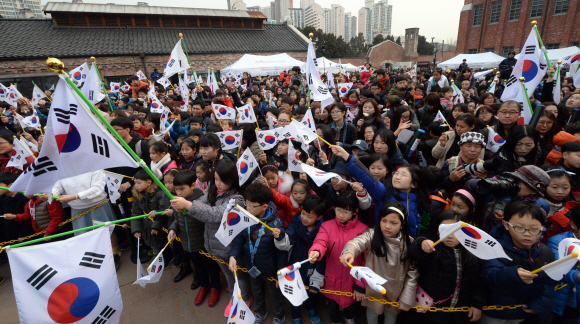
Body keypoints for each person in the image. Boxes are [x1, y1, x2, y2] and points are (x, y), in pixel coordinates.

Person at [170, 160, 251, 316]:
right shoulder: (214, 191)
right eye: (215, 179)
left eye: (222, 180)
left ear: (232, 179)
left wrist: (188, 206)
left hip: (231, 246)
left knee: (239, 275)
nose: (218, 183)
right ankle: (235, 295)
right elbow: (201, 203)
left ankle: (244, 298)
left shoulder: (237, 198)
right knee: (228, 274)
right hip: (214, 245)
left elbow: (216, 215)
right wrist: (186, 204)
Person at [341, 201, 419, 324]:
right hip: (374, 291)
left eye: (393, 223)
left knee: (391, 319)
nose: (387, 226)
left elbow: (413, 271)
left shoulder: (408, 243)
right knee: (372, 315)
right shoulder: (372, 235)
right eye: (384, 220)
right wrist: (349, 251)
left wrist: (407, 298)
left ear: (402, 224)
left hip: (395, 293)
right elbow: (358, 242)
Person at [481, 201, 555, 323]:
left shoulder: (546, 252)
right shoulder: (494, 248)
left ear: (542, 227)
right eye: (519, 227)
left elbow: (549, 281)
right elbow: (490, 276)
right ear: (506, 224)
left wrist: (542, 303)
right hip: (495, 313)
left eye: (534, 229)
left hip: (527, 313)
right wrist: (513, 274)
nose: (527, 233)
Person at [409, 209, 485, 324]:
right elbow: (415, 251)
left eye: (455, 231)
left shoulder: (471, 254)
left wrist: (477, 304)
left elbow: (478, 281)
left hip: (459, 314)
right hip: (430, 313)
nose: (450, 235)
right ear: (437, 231)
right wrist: (421, 243)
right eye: (445, 229)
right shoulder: (432, 249)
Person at [227, 182, 286, 324]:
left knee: (275, 293)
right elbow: (239, 239)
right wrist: (233, 255)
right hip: (251, 266)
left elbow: (281, 252)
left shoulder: (276, 226)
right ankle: (260, 311)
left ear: (265, 206)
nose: (248, 208)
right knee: (257, 291)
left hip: (270, 270)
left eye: (252, 206)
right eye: (247, 204)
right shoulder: (246, 218)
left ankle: (279, 315)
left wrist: (280, 273)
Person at [308, 191, 367, 324]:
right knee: (332, 307)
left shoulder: (364, 230)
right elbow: (320, 242)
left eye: (345, 211)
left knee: (350, 309)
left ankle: (349, 318)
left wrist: (360, 284)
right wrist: (316, 251)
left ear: (355, 211)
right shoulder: (326, 226)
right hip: (331, 280)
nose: (340, 214)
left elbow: (366, 260)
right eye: (338, 210)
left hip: (352, 282)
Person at [49, 170, 121, 268]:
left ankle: (115, 254)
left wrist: (73, 197)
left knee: (107, 232)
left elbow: (97, 189)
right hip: (77, 209)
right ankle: (96, 259)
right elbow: (57, 186)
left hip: (98, 205)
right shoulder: (63, 169)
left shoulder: (93, 166)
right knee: (84, 236)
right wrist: (51, 194)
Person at [272, 196, 326, 324]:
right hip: (295, 266)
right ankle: (296, 315)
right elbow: (286, 243)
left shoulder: (323, 229)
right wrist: (280, 237)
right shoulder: (295, 224)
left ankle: (310, 309)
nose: (304, 218)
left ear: (319, 217)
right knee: (294, 292)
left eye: (309, 216)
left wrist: (318, 278)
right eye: (303, 213)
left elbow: (323, 255)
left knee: (312, 291)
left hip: (313, 268)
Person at [166, 170, 218, 298]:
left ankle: (215, 287)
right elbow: (178, 219)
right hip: (187, 243)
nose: (178, 193)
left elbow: (206, 218)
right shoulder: (178, 200)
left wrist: (188, 208)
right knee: (198, 267)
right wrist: (173, 229)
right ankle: (204, 285)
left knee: (210, 266)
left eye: (182, 189)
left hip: (202, 243)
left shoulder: (201, 200)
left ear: (193, 185)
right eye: (176, 189)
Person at [546, 206, 580, 323]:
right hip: (563, 298)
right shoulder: (557, 242)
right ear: (574, 224)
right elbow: (557, 269)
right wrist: (577, 277)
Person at [130, 169, 169, 263]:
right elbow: (135, 214)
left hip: (161, 225)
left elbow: (163, 211)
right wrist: (136, 229)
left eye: (139, 183)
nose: (136, 186)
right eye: (135, 183)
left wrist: (156, 224)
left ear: (149, 182)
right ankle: (156, 251)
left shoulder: (159, 194)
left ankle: (162, 257)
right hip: (148, 224)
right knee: (150, 239)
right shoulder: (138, 196)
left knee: (159, 242)